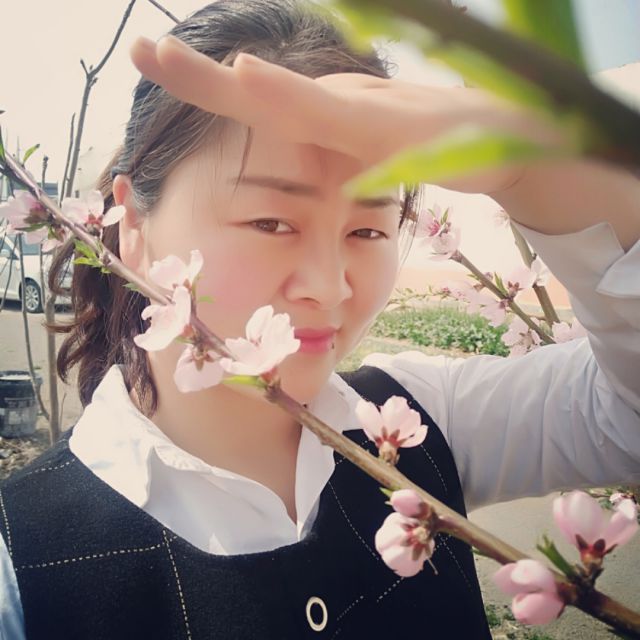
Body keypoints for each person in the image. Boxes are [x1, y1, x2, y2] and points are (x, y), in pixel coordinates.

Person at [1, 1, 639, 637]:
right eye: (271, 222)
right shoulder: (21, 567)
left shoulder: (419, 419)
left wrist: (533, 172)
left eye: (368, 229)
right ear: (133, 226)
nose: (330, 286)